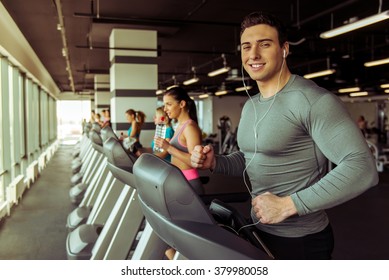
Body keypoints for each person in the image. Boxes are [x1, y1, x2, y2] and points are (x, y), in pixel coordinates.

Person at [190, 11, 378, 260]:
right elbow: (250, 160)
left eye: (264, 44)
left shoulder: (312, 100)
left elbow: (363, 167)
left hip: (301, 240)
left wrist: (289, 205)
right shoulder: (251, 104)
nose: (253, 54)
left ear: (284, 49)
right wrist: (216, 162)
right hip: (259, 229)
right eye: (247, 46)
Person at [153, 86, 204, 260]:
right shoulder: (180, 126)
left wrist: (169, 148)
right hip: (180, 184)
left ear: (181, 104)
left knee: (177, 237)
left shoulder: (190, 128)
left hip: (190, 185)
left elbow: (194, 161)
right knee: (166, 234)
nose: (165, 109)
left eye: (168, 104)